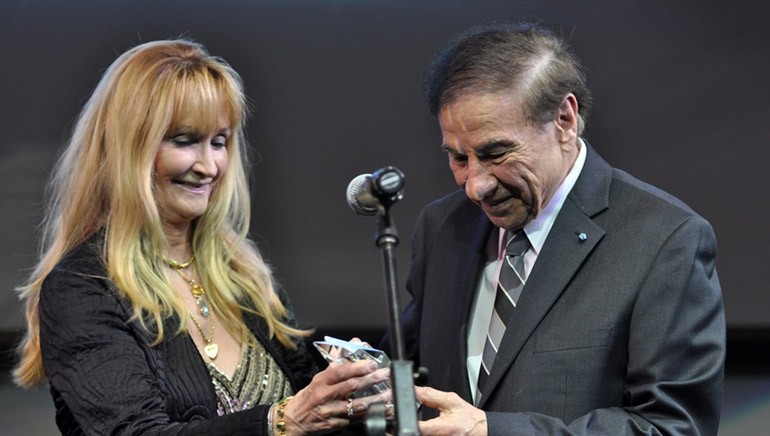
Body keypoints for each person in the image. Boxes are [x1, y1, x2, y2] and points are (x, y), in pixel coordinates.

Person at [13, 39, 389, 435]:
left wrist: (359, 396)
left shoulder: (243, 276)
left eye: (220, 142)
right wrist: (279, 422)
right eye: (185, 140)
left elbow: (315, 408)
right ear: (128, 147)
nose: (209, 166)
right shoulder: (82, 289)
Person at [385, 23, 725, 435]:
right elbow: (407, 371)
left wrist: (494, 431)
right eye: (458, 158)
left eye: (495, 153)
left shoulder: (666, 240)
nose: (476, 185)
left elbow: (672, 427)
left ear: (564, 118)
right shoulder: (442, 226)